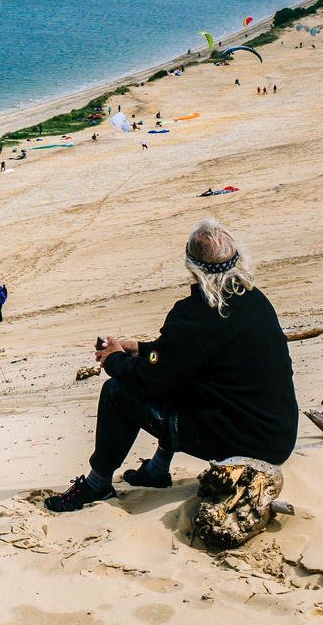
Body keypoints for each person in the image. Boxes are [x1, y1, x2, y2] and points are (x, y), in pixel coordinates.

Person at [44, 218, 297, 512]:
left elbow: (152, 379)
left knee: (117, 393)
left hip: (243, 444)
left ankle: (97, 484)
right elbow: (184, 357)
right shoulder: (255, 300)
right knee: (188, 381)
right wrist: (143, 349)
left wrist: (114, 360)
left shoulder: (196, 313)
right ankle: (156, 470)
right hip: (276, 437)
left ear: (192, 267)